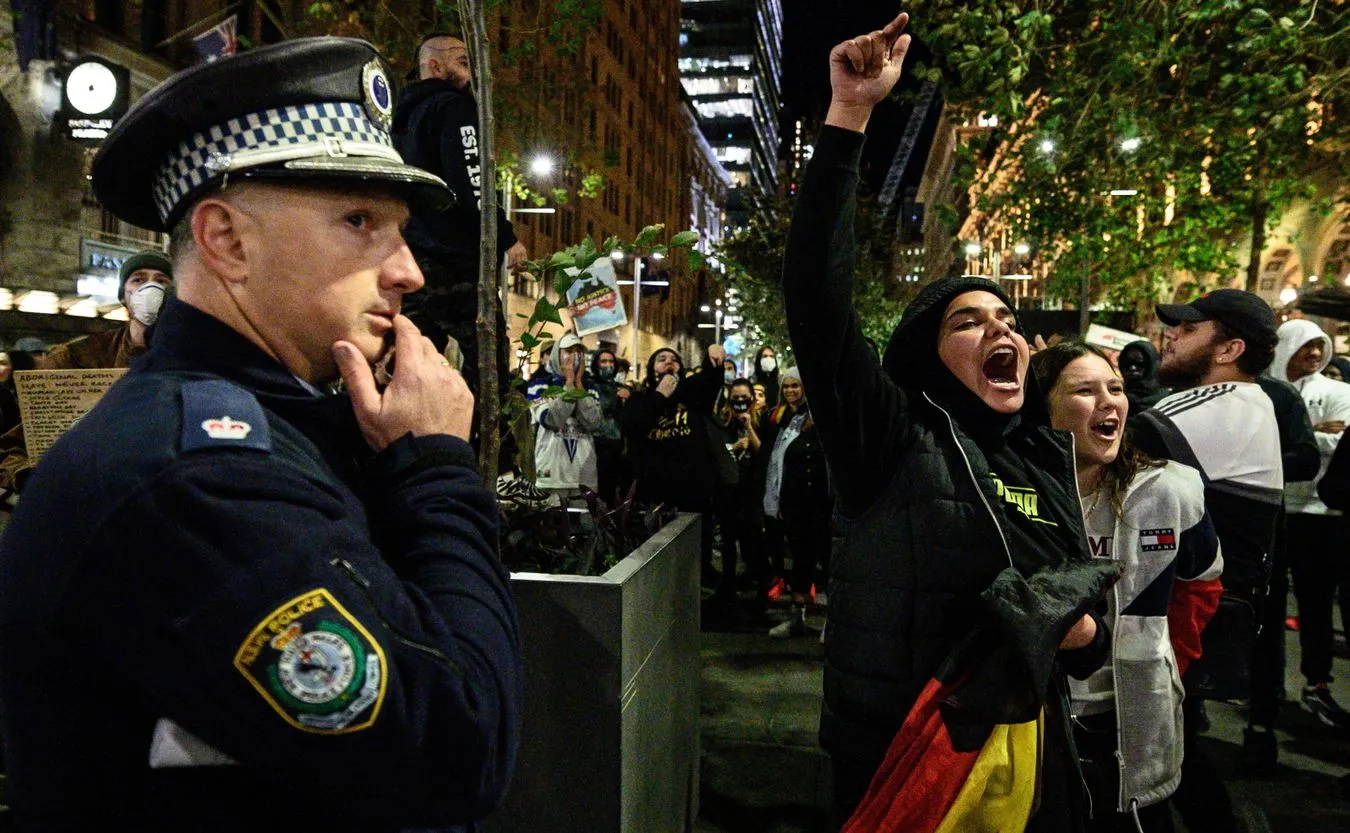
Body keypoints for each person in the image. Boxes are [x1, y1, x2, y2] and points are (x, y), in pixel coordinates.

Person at [0, 39, 521, 831]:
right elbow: (458, 746)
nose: (408, 271)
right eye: (359, 220)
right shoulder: (194, 475)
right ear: (227, 241)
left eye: (401, 229)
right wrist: (439, 470)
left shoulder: (281, 427)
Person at [785, 14, 1115, 829]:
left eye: (1008, 320)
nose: (1001, 330)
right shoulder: (892, 439)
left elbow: (1076, 621)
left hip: (1021, 760)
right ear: (930, 357)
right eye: (969, 322)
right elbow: (818, 305)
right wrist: (850, 114)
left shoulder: (1046, 455)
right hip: (903, 758)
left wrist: (1084, 636)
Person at [1034, 342, 1222, 832]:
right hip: (1037, 718)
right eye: (1084, 390)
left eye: (1115, 388)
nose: (1110, 401)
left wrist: (1165, 658)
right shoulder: (1014, 496)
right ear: (1043, 406)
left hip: (1134, 716)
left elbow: (1202, 583)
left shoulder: (1171, 489)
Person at [1127, 289, 1282, 832]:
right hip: (1218, 612)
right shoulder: (1254, 401)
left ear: (1229, 348)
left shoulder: (1213, 405)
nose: (1170, 335)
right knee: (1176, 745)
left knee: (1160, 749)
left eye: (1190, 329)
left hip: (1190, 615)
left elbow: (1102, 445)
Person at [392, 33, 526, 395]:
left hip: (410, 260)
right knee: (489, 366)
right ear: (434, 66)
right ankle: (483, 445)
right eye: (464, 62)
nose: (473, 73)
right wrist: (505, 235)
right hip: (453, 261)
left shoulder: (398, 119)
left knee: (411, 366)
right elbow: (473, 181)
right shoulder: (453, 108)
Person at [0, 252, 175, 493]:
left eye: (162, 281)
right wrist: (31, 477)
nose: (150, 287)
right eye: (138, 279)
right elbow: (16, 447)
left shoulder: (195, 360)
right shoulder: (77, 357)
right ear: (123, 296)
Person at [1269, 318, 1350, 728]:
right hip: (1288, 513)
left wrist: (1302, 436)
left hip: (1333, 516)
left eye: (1320, 347)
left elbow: (1342, 441)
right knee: (1306, 605)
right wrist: (1312, 431)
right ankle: (1307, 683)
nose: (1315, 355)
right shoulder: (1268, 393)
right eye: (1306, 348)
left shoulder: (1338, 392)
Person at [621, 344, 726, 584]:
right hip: (655, 497)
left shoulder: (692, 398)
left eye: (674, 359)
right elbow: (632, 427)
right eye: (661, 359)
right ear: (651, 369)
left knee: (693, 564)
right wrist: (659, 396)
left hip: (692, 496)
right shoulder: (640, 399)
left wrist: (713, 356)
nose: (669, 362)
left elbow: (710, 381)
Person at [760, 368, 832, 639]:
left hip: (820, 505)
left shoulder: (820, 418)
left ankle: (831, 623)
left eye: (796, 386)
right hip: (792, 504)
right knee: (800, 563)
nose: (791, 391)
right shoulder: (782, 418)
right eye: (787, 386)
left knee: (826, 565)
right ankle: (797, 619)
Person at [529, 332, 603, 501]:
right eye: (568, 351)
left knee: (584, 525)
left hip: (584, 476)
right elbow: (551, 420)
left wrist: (579, 386)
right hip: (551, 474)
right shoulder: (539, 384)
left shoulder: (590, 388)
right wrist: (569, 384)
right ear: (557, 355)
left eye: (579, 352)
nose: (574, 357)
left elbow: (594, 423)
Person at [589, 347, 630, 504]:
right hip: (597, 445)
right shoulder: (590, 385)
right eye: (603, 361)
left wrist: (628, 399)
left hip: (617, 445)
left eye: (611, 361)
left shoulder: (621, 387)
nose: (608, 365)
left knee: (611, 490)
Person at [1118, 339, 1168, 414]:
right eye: (1127, 363)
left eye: (1139, 363)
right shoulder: (1116, 394)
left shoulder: (1165, 401)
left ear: (1152, 365)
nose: (1133, 368)